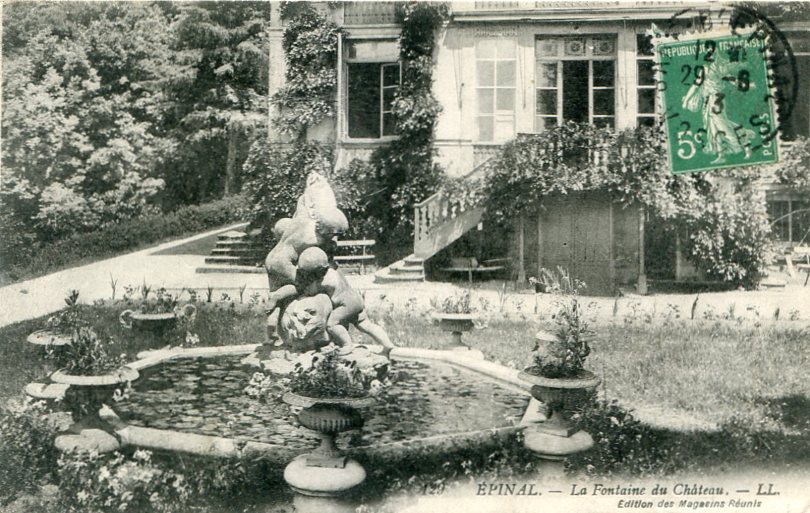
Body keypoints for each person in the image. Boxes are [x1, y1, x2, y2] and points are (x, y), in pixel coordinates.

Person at [265, 247, 394, 357]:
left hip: (345, 305)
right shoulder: (333, 272)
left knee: (332, 324)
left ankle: (347, 345)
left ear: (317, 272)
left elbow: (306, 291)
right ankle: (387, 345)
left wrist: (278, 296)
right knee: (365, 324)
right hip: (356, 299)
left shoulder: (323, 281)